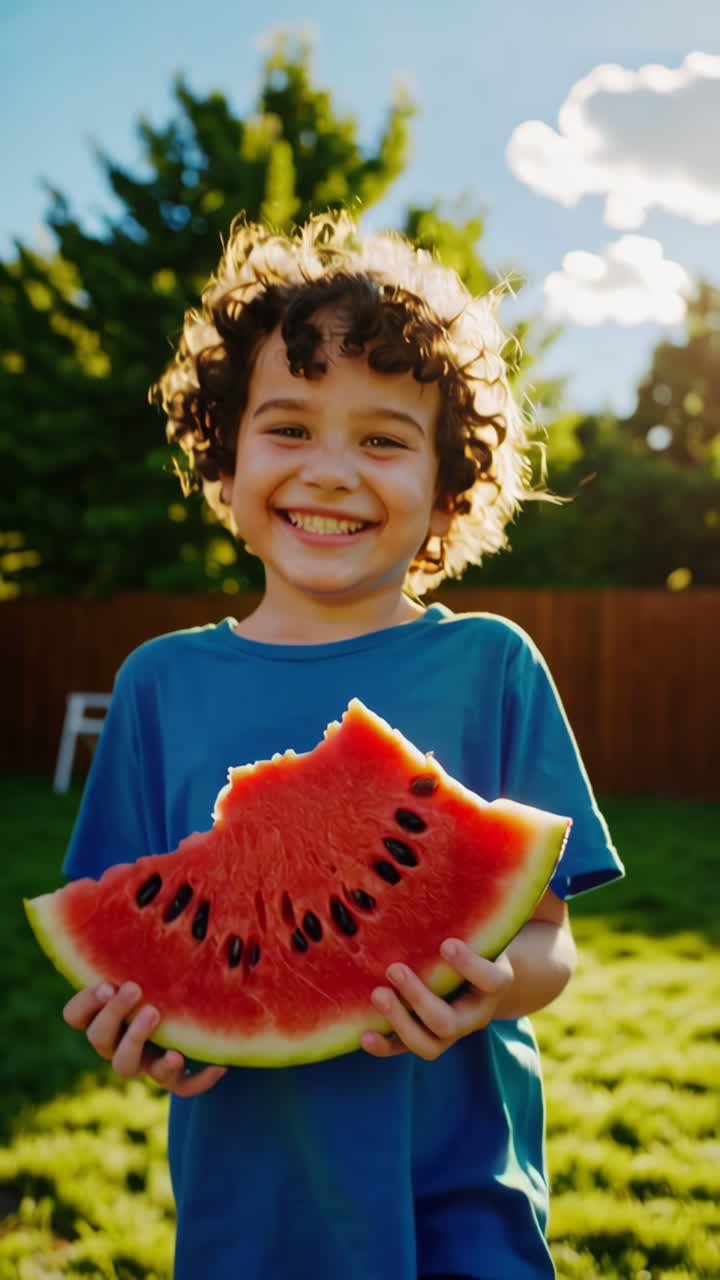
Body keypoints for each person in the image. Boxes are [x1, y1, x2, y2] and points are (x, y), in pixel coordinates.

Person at [62, 212, 624, 1280]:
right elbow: (131, 930)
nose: (330, 470)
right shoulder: (158, 684)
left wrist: (495, 983)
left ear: (447, 486)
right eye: (287, 426)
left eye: (382, 439)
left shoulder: (492, 665)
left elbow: (550, 937)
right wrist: (134, 1027)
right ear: (223, 457)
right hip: (246, 1219)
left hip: (461, 1207)